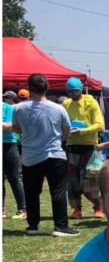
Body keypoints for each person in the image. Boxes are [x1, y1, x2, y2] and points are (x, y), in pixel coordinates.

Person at [11, 73, 79, 237]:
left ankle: (33, 226)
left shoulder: (19, 108)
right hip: (55, 154)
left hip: (30, 157)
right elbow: (66, 133)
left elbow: (16, 129)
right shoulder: (58, 108)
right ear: (47, 88)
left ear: (29, 88)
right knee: (58, 191)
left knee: (32, 193)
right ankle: (61, 226)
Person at [63, 77, 105, 219]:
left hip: (89, 147)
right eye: (69, 91)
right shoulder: (66, 104)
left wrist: (82, 131)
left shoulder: (91, 102)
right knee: (73, 182)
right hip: (72, 148)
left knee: (92, 179)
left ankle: (98, 207)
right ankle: (77, 209)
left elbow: (99, 125)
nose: (71, 94)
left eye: (74, 91)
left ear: (81, 89)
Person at [3, 91, 26, 219]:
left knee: (14, 179)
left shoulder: (8, 108)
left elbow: (8, 126)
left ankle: (22, 209)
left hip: (8, 146)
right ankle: (1, 210)